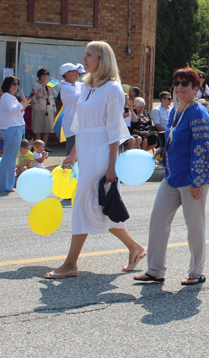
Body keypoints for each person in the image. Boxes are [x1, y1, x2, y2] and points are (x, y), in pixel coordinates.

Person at [44, 40, 146, 279]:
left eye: (89, 55)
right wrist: (73, 154)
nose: (84, 59)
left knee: (83, 204)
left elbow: (114, 130)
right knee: (102, 206)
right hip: (86, 151)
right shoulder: (87, 87)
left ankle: (70, 263)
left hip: (102, 153)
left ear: (103, 59)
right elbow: (81, 125)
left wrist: (112, 165)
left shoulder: (113, 88)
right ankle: (135, 247)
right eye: (85, 54)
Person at [133, 67, 209, 285]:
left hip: (192, 179)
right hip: (172, 176)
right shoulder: (176, 110)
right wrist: (163, 150)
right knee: (158, 219)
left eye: (184, 83)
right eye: (176, 82)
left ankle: (197, 272)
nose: (179, 86)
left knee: (195, 225)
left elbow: (203, 148)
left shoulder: (198, 112)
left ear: (195, 88)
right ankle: (155, 270)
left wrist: (198, 181)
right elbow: (171, 138)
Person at [0, 76, 30, 192]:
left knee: (11, 159)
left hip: (15, 128)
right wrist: (22, 104)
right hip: (12, 129)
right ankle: (5, 186)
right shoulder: (7, 96)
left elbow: (18, 114)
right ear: (7, 84)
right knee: (9, 159)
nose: (16, 86)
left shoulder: (11, 97)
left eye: (17, 83)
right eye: (13, 83)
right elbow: (13, 110)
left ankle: (8, 185)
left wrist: (23, 105)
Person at [60, 63, 84, 155]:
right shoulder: (66, 88)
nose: (77, 73)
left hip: (80, 126)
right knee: (72, 158)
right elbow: (82, 99)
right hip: (72, 128)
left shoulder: (77, 84)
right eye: (74, 71)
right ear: (67, 74)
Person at [30, 68, 56, 152]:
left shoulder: (51, 84)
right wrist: (37, 94)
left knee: (47, 128)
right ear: (39, 76)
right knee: (38, 128)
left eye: (47, 74)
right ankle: (38, 147)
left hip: (49, 108)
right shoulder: (36, 84)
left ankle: (44, 147)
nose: (46, 76)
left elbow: (53, 97)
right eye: (44, 74)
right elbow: (32, 98)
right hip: (38, 107)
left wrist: (54, 109)